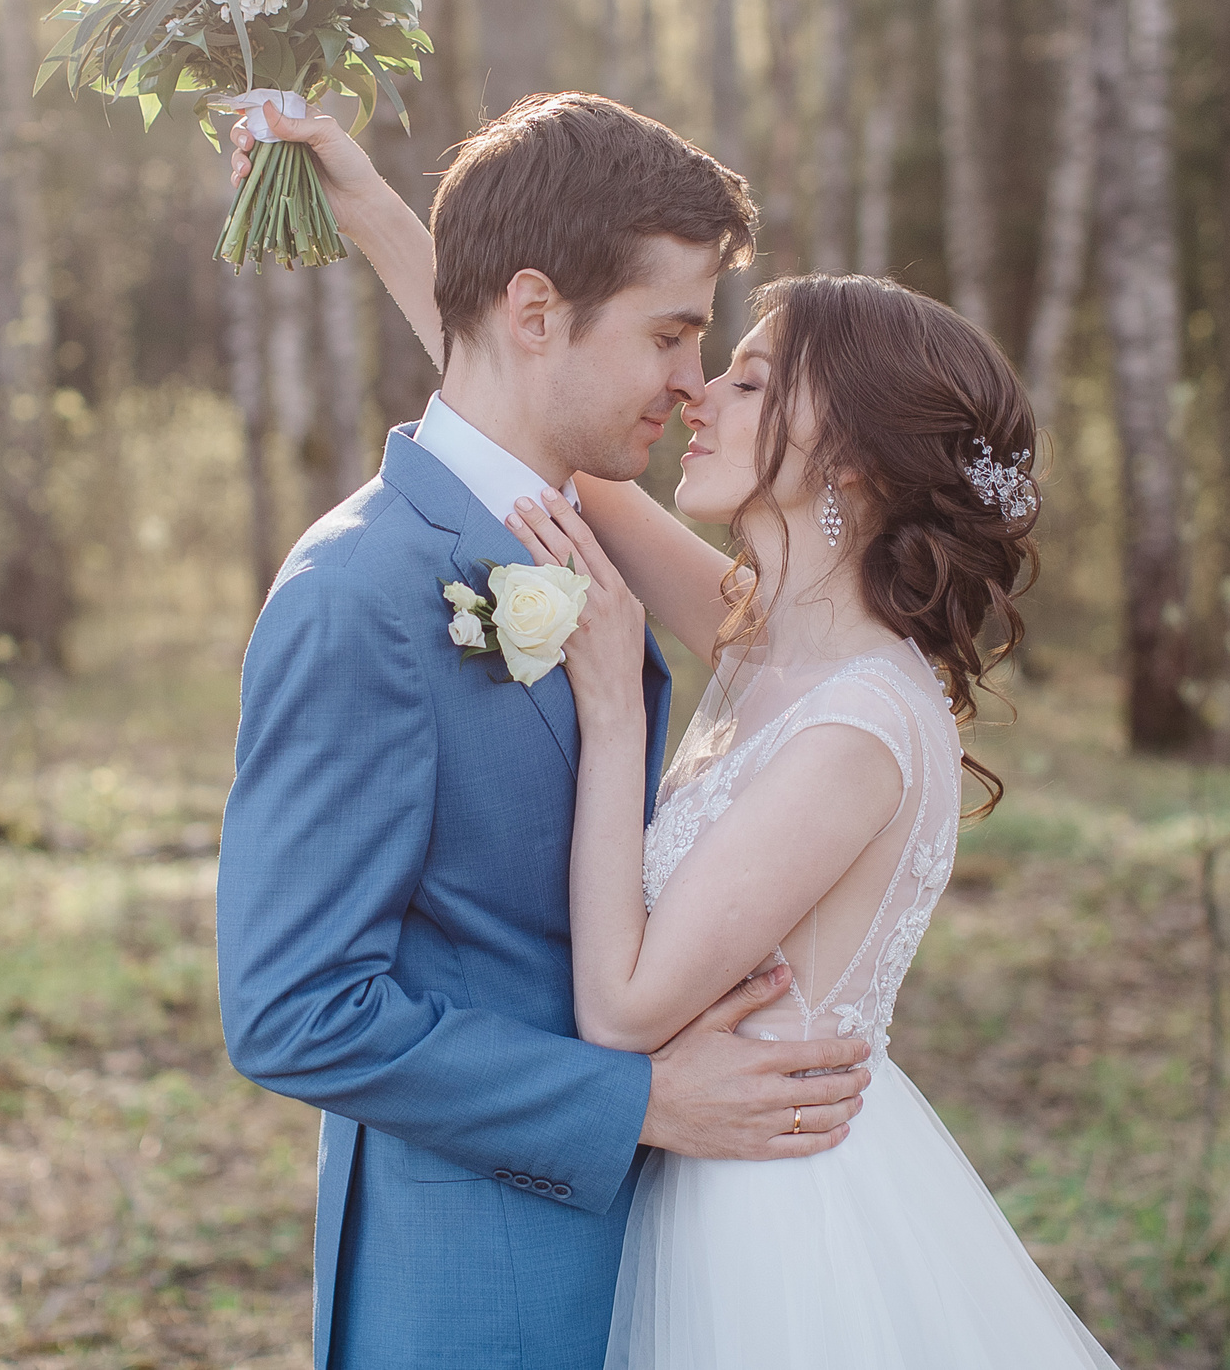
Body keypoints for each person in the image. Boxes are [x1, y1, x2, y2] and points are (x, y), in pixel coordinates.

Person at [227, 91, 1125, 1369]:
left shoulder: (842, 691)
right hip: (563, 1237)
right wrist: (375, 209)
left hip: (764, 1227)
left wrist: (606, 711)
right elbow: (520, 380)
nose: (699, 391)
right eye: (690, 347)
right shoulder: (753, 631)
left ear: (849, 459)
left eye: (744, 374)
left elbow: (549, 372)